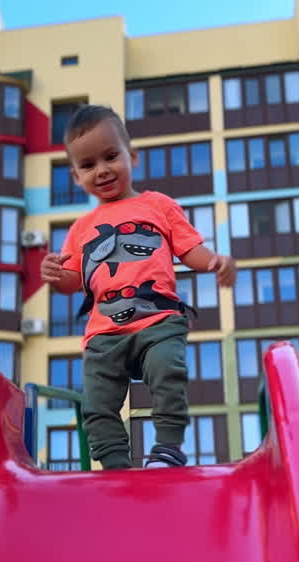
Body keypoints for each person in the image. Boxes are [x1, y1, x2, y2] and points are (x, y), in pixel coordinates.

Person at [40, 105, 235, 469]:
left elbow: (188, 248)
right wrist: (55, 275)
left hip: (156, 318)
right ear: (76, 177)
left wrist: (213, 261)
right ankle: (115, 465)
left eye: (111, 156)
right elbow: (73, 281)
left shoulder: (157, 205)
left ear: (132, 156)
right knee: (96, 403)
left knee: (167, 371)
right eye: (88, 165)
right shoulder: (82, 228)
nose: (102, 170)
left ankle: (167, 447)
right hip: (104, 332)